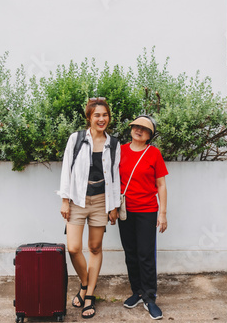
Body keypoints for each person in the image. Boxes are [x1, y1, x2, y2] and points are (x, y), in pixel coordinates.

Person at [57, 97, 120, 319]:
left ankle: (89, 294)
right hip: (77, 199)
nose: (101, 119)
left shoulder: (114, 144)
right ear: (89, 117)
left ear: (108, 118)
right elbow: (66, 168)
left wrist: (114, 206)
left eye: (105, 115)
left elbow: (115, 175)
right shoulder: (76, 139)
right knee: (73, 248)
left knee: (94, 247)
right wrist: (65, 199)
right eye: (97, 115)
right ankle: (85, 283)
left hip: (102, 201)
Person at [118, 115, 168, 320]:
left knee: (145, 254)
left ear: (150, 135)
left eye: (144, 129)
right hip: (124, 211)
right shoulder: (119, 151)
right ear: (131, 129)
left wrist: (163, 213)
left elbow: (161, 185)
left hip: (147, 210)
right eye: (136, 126)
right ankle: (137, 292)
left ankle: (150, 298)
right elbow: (112, 181)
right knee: (130, 253)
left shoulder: (154, 153)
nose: (139, 130)